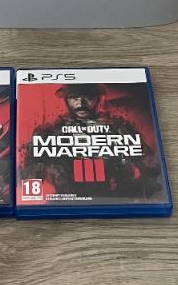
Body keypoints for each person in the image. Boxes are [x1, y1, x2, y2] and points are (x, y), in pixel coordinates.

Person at [21, 85, 161, 199]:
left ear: (98, 99)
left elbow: (152, 170)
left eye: (88, 98)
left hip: (115, 201)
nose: (80, 104)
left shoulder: (119, 128)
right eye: (74, 98)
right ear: (66, 100)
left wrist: (131, 188)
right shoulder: (49, 132)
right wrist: (50, 172)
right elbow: (29, 179)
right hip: (68, 203)